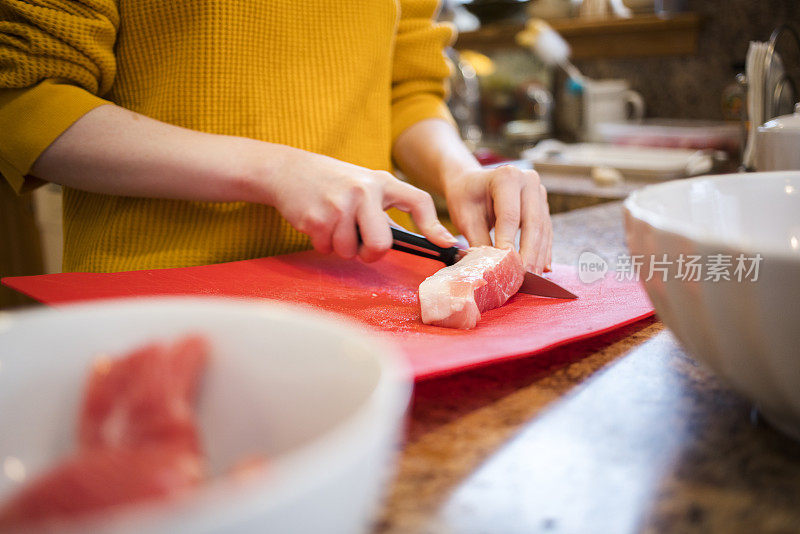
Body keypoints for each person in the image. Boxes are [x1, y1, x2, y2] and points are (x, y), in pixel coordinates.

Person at [0, 0, 551, 274]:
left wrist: (459, 171)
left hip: (362, 287)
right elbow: (22, 99)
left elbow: (405, 87)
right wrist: (275, 171)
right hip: (160, 297)